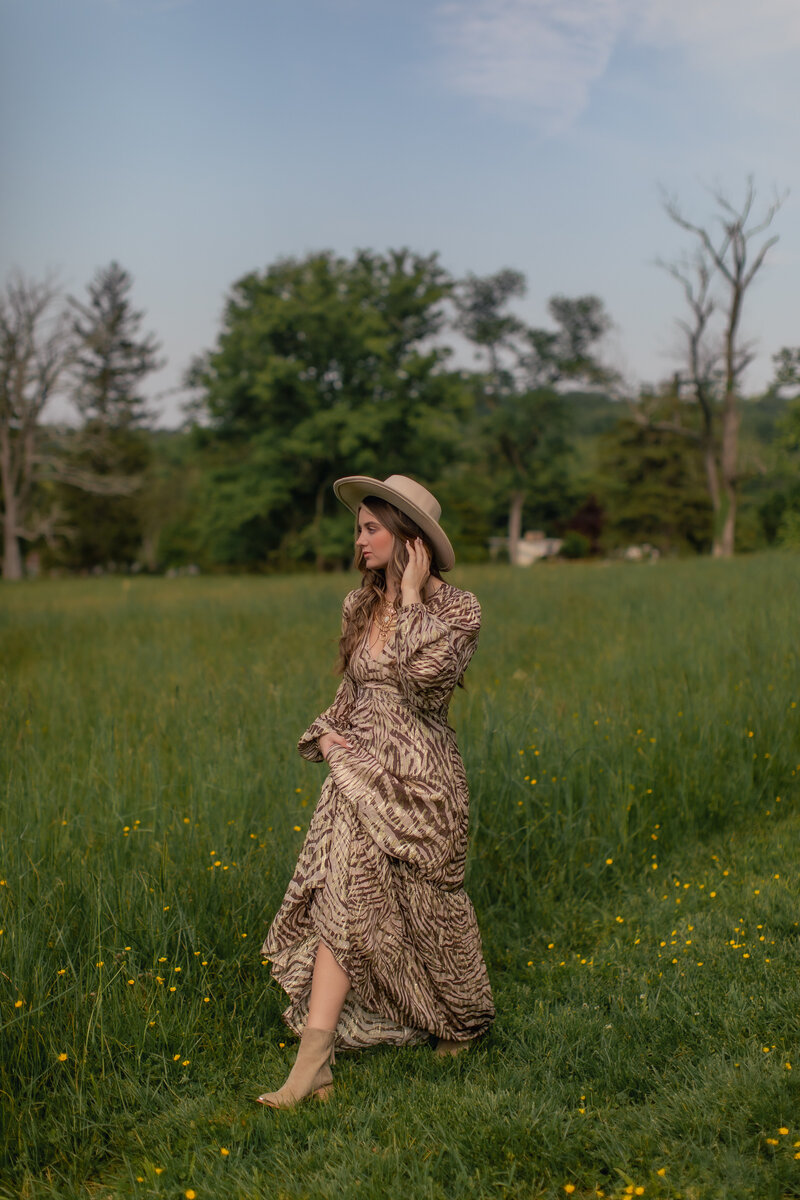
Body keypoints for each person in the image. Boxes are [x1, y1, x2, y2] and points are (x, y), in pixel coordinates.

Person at [257, 474, 494, 1108]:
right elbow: (355, 688)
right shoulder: (357, 605)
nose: (359, 540)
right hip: (358, 772)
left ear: (409, 538)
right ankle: (315, 1061)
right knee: (342, 893)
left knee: (427, 908)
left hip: (421, 781)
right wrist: (329, 734)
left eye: (370, 528)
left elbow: (427, 684)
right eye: (357, 529)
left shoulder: (459, 610)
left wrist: (412, 597)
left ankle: (458, 1017)